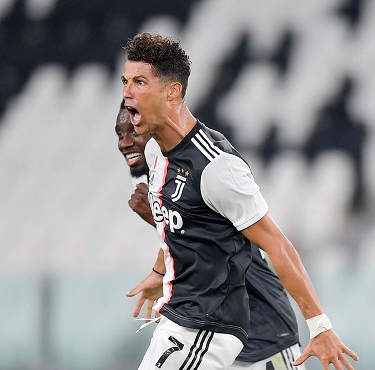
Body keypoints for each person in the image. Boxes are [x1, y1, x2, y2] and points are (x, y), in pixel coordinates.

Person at [120, 32, 358, 370]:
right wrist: (161, 271)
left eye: (139, 82)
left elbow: (276, 244)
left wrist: (319, 325)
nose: (126, 91)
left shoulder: (217, 167)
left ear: (172, 90)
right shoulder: (157, 152)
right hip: (194, 322)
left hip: (240, 332)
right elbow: (184, 228)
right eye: (125, 81)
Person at [116, 101, 305, 369]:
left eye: (133, 130)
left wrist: (319, 323)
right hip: (210, 334)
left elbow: (220, 241)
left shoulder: (201, 165)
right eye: (119, 133)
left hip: (263, 333)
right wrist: (163, 270)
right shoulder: (150, 173)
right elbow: (185, 241)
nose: (125, 142)